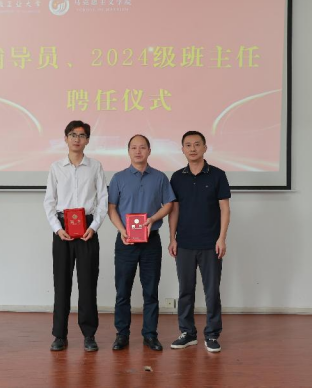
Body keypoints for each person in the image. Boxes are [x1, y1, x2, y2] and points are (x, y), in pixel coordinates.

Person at [43, 121, 108, 352]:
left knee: (88, 283)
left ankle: (89, 335)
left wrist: (95, 226)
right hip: (63, 229)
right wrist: (56, 228)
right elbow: (49, 201)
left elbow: (103, 199)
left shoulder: (95, 166)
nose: (77, 139)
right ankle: (59, 335)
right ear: (65, 138)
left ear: (88, 140)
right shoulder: (56, 167)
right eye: (72, 135)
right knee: (61, 283)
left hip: (88, 228)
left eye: (81, 135)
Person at [108, 135, 176, 352]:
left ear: (149, 150)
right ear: (128, 151)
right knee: (122, 291)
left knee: (151, 290)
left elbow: (169, 204)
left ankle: (150, 335)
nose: (138, 151)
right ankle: (122, 334)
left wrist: (153, 219)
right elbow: (111, 208)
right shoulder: (118, 178)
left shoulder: (160, 178)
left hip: (151, 241)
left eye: (142, 147)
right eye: (134, 148)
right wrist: (122, 230)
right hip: (125, 241)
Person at [168, 131, 231, 353]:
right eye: (188, 145)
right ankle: (187, 333)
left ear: (205, 148)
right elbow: (174, 210)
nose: (192, 149)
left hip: (211, 244)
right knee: (185, 290)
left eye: (197, 144)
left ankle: (212, 334)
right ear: (182, 149)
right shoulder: (177, 177)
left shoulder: (217, 175)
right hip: (184, 243)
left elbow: (225, 209)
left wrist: (221, 238)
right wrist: (172, 238)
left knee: (212, 291)